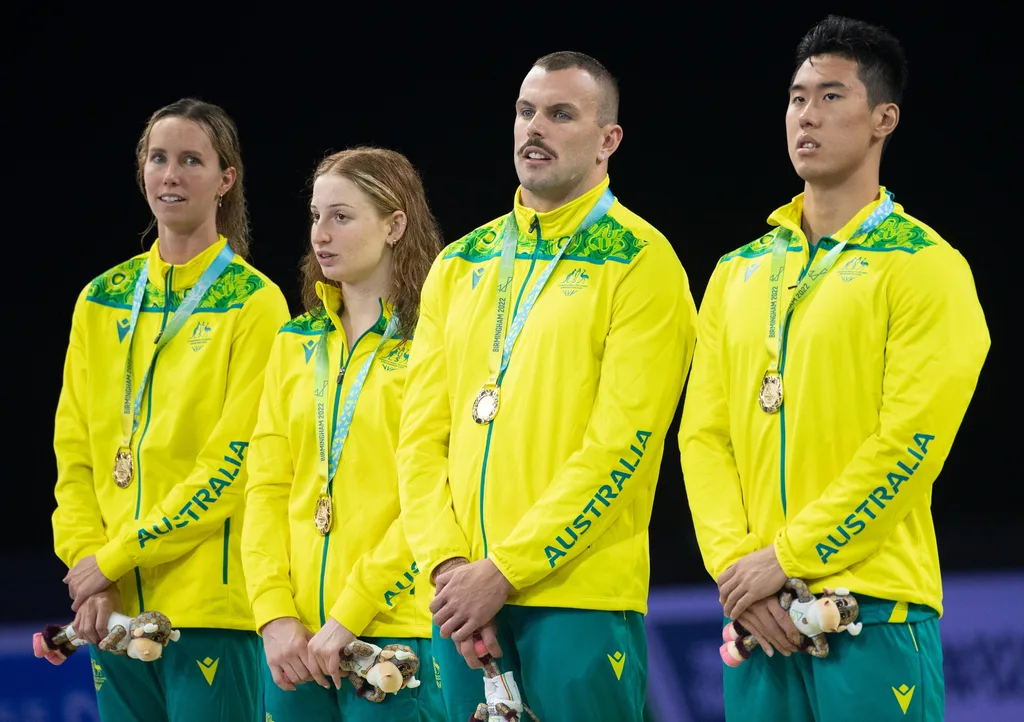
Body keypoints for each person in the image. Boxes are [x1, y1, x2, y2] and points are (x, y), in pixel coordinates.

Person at [678, 15, 990, 722]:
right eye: (796, 97)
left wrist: (787, 556)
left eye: (831, 97)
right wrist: (741, 574)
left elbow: (909, 445)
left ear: (884, 118)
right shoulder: (736, 272)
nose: (805, 116)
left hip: (874, 609)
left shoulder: (925, 266)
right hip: (760, 619)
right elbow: (703, 436)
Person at [396, 50, 698, 720]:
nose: (536, 128)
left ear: (607, 139)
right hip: (459, 606)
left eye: (562, 114)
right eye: (526, 111)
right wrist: (449, 570)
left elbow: (622, 447)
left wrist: (502, 573)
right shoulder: (461, 262)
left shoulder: (643, 263)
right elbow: (417, 439)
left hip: (578, 596)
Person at [53, 98, 291, 721]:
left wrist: (112, 557)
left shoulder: (255, 304)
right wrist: (90, 566)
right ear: (141, 171)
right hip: (110, 606)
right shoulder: (99, 300)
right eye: (159, 158)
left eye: (192, 160)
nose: (172, 175)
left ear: (225, 180)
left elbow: (232, 469)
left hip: (208, 608)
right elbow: (74, 453)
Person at [241, 146, 446, 721]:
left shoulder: (435, 340)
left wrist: (351, 612)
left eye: (341, 216)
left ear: (395, 224)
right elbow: (265, 488)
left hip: (396, 633)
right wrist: (274, 614)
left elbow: (432, 494)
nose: (320, 234)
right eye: (314, 216)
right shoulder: (294, 342)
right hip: (294, 648)